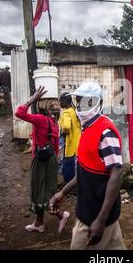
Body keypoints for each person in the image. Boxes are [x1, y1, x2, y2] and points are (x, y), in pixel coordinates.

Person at [49, 82, 126, 250]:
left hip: (94, 216)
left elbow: (117, 173)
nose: (82, 106)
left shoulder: (105, 132)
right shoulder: (87, 128)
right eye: (80, 100)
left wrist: (100, 219)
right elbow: (84, 171)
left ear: (98, 103)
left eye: (88, 102)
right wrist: (63, 192)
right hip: (90, 210)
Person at [15, 86, 70, 234]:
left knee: (38, 190)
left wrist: (32, 98)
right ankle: (42, 221)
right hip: (51, 159)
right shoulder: (54, 122)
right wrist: (54, 160)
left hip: (41, 160)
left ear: (40, 105)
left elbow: (19, 113)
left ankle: (58, 216)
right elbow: (56, 146)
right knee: (47, 189)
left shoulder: (40, 119)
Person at [59, 92, 81, 183]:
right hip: (78, 141)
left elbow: (67, 126)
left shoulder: (66, 112)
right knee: (76, 164)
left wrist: (64, 132)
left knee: (69, 164)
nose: (60, 103)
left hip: (70, 142)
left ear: (64, 101)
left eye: (60, 101)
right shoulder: (74, 110)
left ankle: (69, 186)